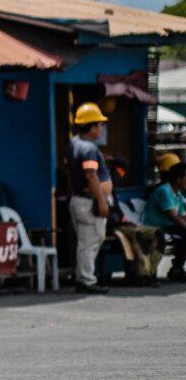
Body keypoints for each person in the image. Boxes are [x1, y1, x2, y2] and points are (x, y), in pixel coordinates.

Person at [68, 103, 114, 294]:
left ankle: (84, 277)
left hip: (80, 199)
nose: (101, 128)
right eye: (99, 125)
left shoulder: (75, 143)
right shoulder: (89, 149)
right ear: (93, 126)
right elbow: (91, 174)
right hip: (89, 201)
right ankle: (86, 280)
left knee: (89, 240)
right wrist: (102, 200)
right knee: (89, 241)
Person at [144, 152, 186, 283]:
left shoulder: (178, 194)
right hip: (156, 225)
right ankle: (176, 269)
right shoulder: (164, 191)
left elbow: (183, 214)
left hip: (169, 226)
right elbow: (174, 217)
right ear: (178, 179)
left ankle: (177, 268)